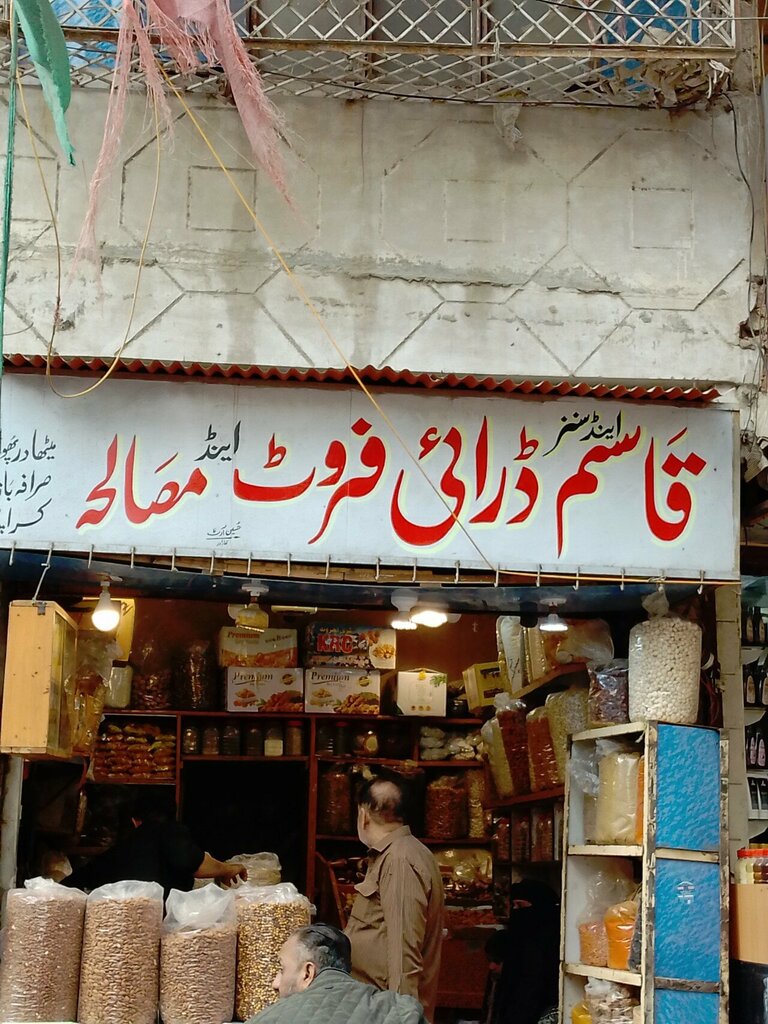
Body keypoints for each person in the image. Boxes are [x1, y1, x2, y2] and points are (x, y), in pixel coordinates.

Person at [344, 775, 444, 1023]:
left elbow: (404, 952)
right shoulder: (397, 854)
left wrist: (402, 1016)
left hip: (387, 1012)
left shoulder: (400, 861)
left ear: (363, 815)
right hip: (374, 1008)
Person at [62, 791, 247, 896]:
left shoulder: (120, 848)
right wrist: (227, 869)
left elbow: (75, 882)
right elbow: (192, 861)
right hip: (156, 921)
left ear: (135, 821)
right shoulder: (169, 831)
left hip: (120, 929)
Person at [248, 924, 428, 1024]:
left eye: (282, 969)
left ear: (307, 973)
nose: (275, 983)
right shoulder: (403, 1008)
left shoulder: (270, 1018)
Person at [483, 879, 560, 1024]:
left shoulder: (550, 945)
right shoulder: (517, 941)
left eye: (520, 905)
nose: (515, 911)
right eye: (513, 905)